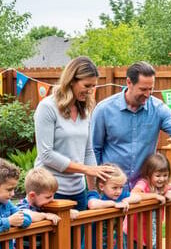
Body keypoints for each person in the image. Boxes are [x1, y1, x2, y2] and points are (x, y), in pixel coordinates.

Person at [91, 61, 171, 190]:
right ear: (129, 83)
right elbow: (93, 150)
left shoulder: (158, 108)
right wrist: (95, 188)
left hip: (144, 190)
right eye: (143, 89)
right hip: (112, 191)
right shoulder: (104, 110)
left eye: (151, 89)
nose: (148, 94)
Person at [35, 56, 115, 211]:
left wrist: (92, 191)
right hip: (50, 191)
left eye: (93, 86)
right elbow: (46, 154)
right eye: (86, 85)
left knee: (81, 236)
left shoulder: (84, 110)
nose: (91, 91)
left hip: (78, 190)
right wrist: (86, 169)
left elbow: (88, 151)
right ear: (71, 80)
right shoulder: (47, 107)